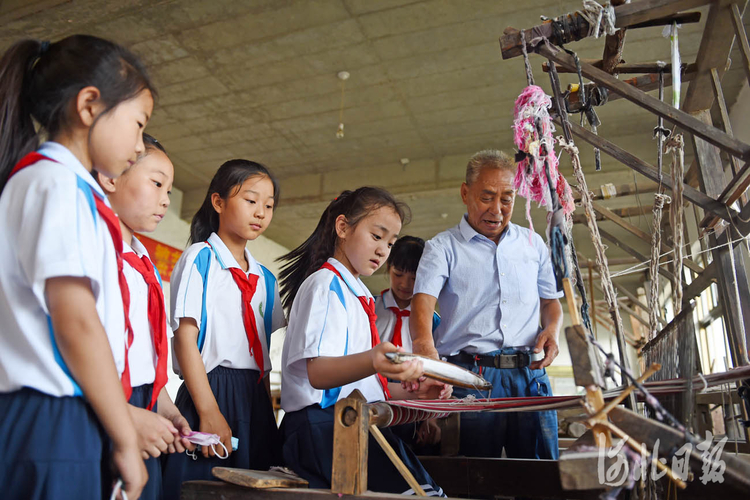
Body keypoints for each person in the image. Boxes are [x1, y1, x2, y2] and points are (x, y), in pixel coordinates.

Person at [0, 35, 154, 499]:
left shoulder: (64, 188)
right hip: (49, 417)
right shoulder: (55, 185)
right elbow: (78, 323)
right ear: (89, 105)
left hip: (61, 415)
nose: (140, 144)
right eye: (138, 125)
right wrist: (125, 434)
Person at [278, 187, 450, 496]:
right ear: (342, 227)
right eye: (377, 236)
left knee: (428, 492)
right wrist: (373, 359)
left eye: (390, 242)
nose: (384, 249)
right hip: (323, 428)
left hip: (354, 422)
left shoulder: (355, 294)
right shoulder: (325, 285)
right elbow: (319, 375)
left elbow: (360, 386)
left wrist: (419, 392)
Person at [410, 150, 563, 460]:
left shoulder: (533, 244)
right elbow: (422, 302)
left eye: (506, 199)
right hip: (471, 378)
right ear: (465, 193)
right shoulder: (442, 248)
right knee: (474, 477)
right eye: (487, 197)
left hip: (529, 376)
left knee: (542, 477)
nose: (497, 209)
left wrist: (552, 329)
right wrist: (425, 347)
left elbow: (550, 302)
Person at [162, 159, 285, 500]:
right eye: (250, 200)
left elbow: (261, 355)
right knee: (203, 490)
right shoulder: (200, 258)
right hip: (211, 389)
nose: (260, 212)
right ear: (218, 202)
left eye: (269, 205)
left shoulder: (266, 280)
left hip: (255, 399)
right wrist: (209, 411)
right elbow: (185, 338)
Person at [96, 134, 193, 500]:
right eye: (156, 183)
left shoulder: (143, 263)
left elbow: (142, 356)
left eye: (169, 190)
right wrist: (125, 414)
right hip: (101, 399)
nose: (166, 199)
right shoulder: (97, 248)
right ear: (113, 177)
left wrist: (163, 405)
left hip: (141, 403)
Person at [375, 235, 442, 450]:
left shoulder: (433, 322)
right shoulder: (369, 310)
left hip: (414, 411)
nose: (405, 284)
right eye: (398, 274)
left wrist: (430, 418)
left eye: (414, 278)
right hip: (373, 404)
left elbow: (437, 374)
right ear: (388, 267)